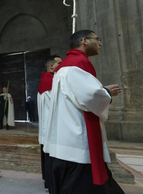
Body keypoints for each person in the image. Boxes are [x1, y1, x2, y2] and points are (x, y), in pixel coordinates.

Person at [44, 30, 124, 194]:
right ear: (84, 41)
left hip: (66, 136)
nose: (100, 43)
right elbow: (89, 96)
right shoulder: (77, 64)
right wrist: (106, 92)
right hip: (78, 139)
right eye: (97, 39)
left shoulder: (66, 66)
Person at [37, 55, 61, 190]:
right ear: (51, 66)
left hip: (47, 126)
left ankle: (49, 181)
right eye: (59, 63)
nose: (62, 65)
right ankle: (52, 184)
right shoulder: (51, 81)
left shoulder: (46, 79)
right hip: (52, 126)